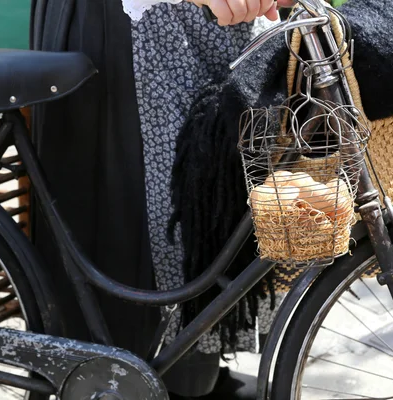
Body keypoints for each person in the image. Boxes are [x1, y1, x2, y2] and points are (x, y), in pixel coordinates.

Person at [30, 0, 292, 399]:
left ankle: (197, 374)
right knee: (152, 229)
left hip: (220, 25)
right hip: (125, 30)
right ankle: (143, 381)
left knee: (219, 197)